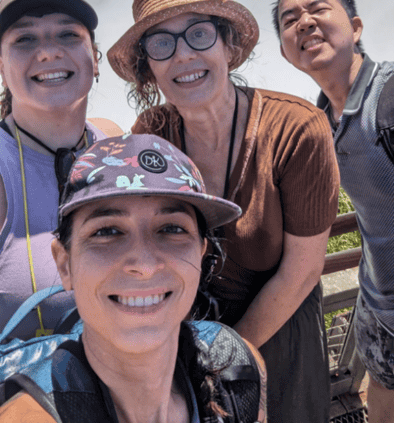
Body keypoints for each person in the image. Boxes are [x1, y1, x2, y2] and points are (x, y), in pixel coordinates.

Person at [107, 0, 340, 423]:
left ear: (227, 46)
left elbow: (302, 270)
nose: (184, 55)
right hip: (187, 336)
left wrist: (227, 362)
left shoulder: (297, 130)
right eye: (161, 44)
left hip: (279, 331)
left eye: (198, 34)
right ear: (147, 70)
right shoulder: (152, 135)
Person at [0, 133, 267, 423]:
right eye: (107, 231)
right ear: (65, 265)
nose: (145, 265)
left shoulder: (238, 370)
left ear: (201, 255)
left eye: (172, 229)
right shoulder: (28, 417)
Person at [273, 0, 394, 423]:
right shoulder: (319, 123)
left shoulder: (389, 95)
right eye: (290, 20)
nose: (304, 22)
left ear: (356, 26)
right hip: (377, 310)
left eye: (318, 9)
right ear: (286, 53)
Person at [0, 0, 122, 340]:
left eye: (69, 34)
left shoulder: (113, 142)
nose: (49, 51)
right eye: (24, 39)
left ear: (96, 60)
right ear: (1, 68)